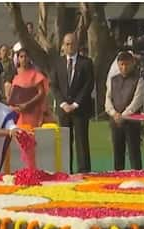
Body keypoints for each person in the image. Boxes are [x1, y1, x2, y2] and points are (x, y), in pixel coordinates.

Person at [51, 33, 94, 173]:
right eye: (67, 44)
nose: (70, 47)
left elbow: (88, 85)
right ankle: (65, 171)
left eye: (72, 44)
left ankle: (84, 171)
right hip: (63, 110)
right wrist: (63, 104)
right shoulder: (57, 63)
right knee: (65, 142)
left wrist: (75, 104)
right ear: (63, 45)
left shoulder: (86, 63)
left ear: (77, 45)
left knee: (81, 142)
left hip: (80, 110)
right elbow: (54, 85)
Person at [105, 51, 144, 170]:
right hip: (115, 121)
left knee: (134, 154)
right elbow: (108, 99)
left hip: (132, 122)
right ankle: (118, 178)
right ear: (118, 64)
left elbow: (137, 101)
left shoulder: (139, 79)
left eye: (127, 64)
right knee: (118, 153)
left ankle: (138, 179)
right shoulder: (113, 79)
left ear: (133, 63)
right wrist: (114, 113)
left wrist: (124, 115)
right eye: (121, 64)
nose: (124, 67)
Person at [8, 48, 49, 128]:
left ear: (29, 58)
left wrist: (28, 104)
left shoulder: (35, 74)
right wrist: (14, 106)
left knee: (33, 134)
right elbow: (13, 96)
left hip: (33, 111)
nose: (24, 59)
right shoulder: (16, 77)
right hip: (20, 112)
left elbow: (41, 93)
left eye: (26, 56)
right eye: (21, 57)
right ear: (18, 59)